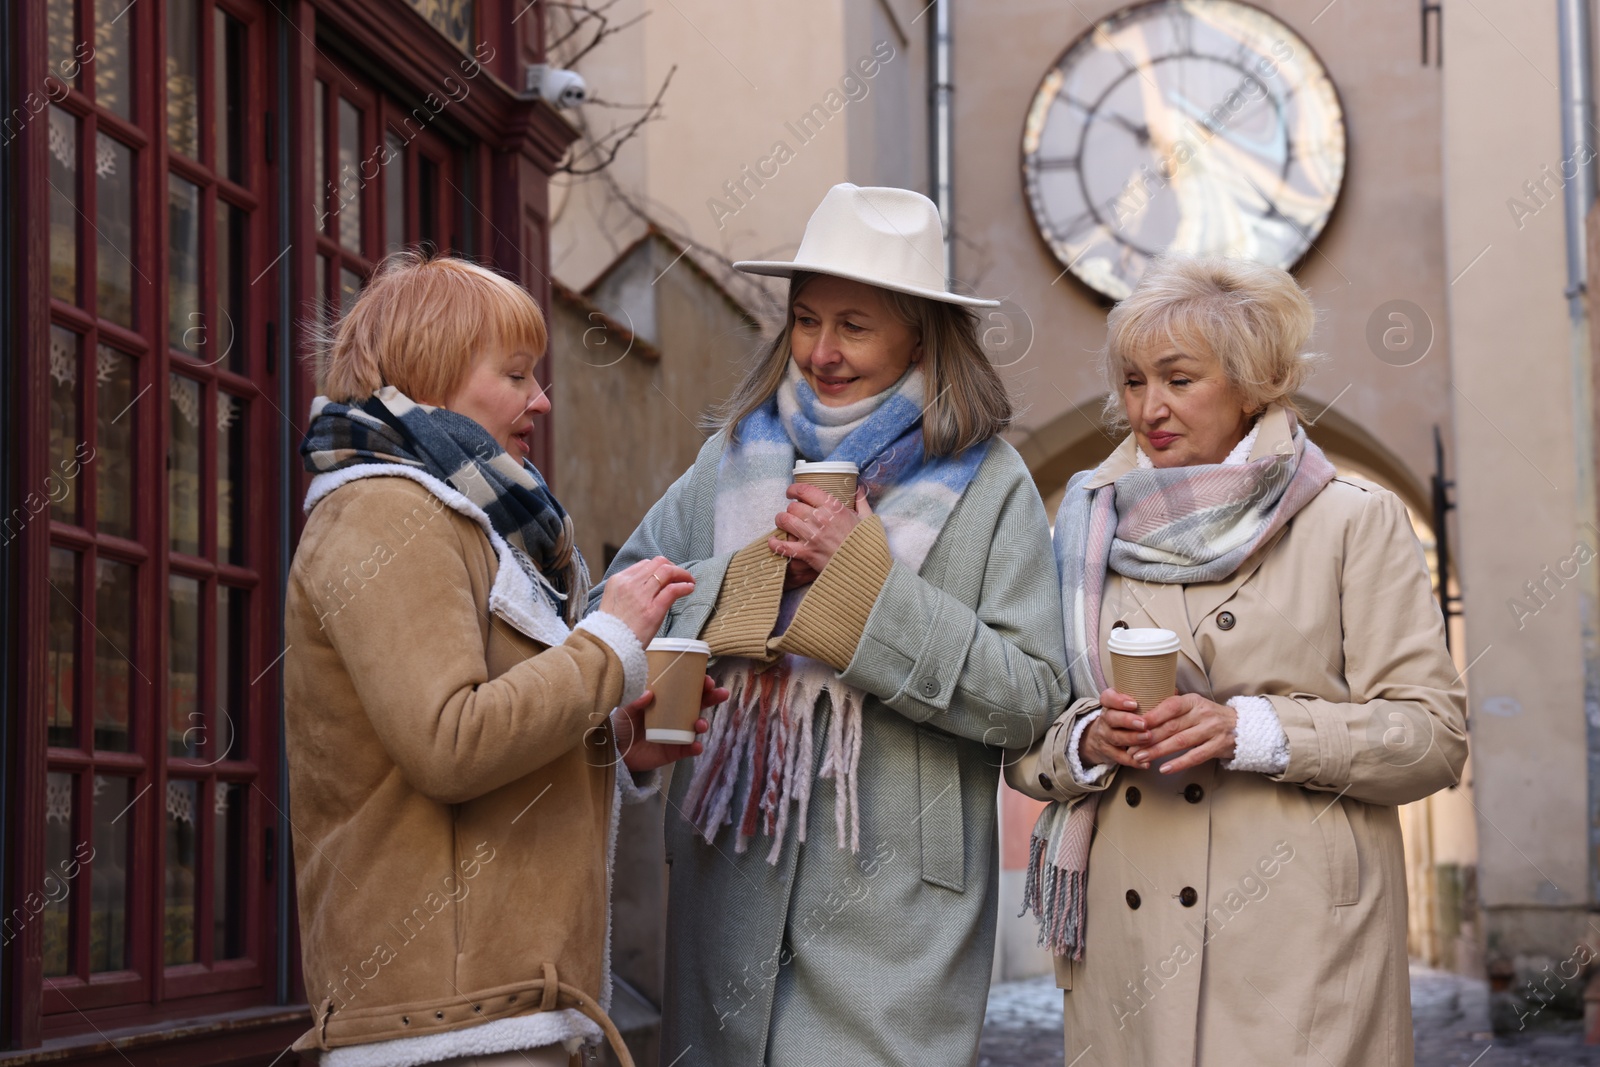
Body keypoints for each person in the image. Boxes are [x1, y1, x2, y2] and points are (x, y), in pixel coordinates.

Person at [597, 183, 1068, 1066]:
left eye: (853, 324)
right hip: (722, 896)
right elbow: (617, 602)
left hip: (897, 929)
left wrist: (864, 588)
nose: (819, 350)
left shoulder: (993, 481)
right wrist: (751, 582)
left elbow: (1031, 702)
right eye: (806, 319)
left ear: (921, 333)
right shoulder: (730, 454)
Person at [1007, 254, 1469, 1067]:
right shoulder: (1083, 529)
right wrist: (1085, 742)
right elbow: (1022, 735)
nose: (1149, 407)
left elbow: (1431, 737)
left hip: (1299, 946)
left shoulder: (1352, 522)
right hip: (1130, 950)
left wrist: (1246, 729)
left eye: (1179, 379)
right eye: (1133, 380)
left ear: (1254, 384)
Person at [282, 251, 722, 1067]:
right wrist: (609, 641)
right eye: (516, 373)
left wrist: (614, 737)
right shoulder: (385, 512)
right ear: (434, 373)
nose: (541, 399)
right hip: (447, 1023)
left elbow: (480, 725)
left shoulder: (465, 518)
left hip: (490, 1007)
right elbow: (450, 743)